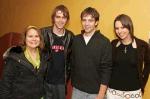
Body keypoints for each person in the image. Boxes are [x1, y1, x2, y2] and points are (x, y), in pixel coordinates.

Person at [71, 7, 112, 99]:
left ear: (96, 22)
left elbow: (106, 70)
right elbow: (72, 63)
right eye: (84, 20)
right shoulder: (76, 40)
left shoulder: (104, 42)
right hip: (77, 91)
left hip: (96, 93)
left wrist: (101, 94)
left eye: (90, 20)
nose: (86, 23)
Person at [106, 14, 150, 99]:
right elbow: (108, 66)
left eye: (123, 27)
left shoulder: (142, 45)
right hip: (113, 93)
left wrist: (142, 84)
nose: (119, 31)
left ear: (129, 26)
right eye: (117, 28)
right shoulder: (113, 44)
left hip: (134, 93)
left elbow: (148, 65)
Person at [0, 26, 48, 99]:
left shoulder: (44, 56)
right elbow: (5, 83)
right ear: (25, 39)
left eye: (36, 36)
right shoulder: (15, 56)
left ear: (40, 39)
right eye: (30, 36)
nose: (34, 39)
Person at [41, 4, 74, 99]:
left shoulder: (70, 36)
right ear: (53, 18)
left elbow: (72, 59)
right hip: (45, 81)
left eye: (64, 17)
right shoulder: (43, 33)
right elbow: (29, 45)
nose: (60, 20)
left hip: (61, 83)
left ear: (67, 20)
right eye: (58, 17)